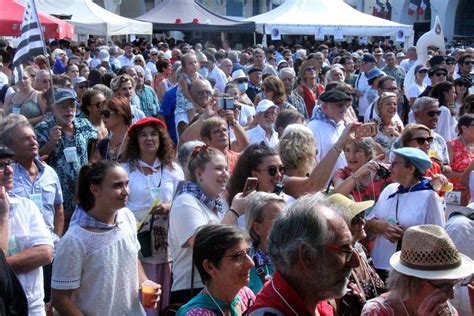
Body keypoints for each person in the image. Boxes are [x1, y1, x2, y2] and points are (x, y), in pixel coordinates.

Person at [51, 161, 161, 315]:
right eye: (117, 186)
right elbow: (60, 299)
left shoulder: (127, 216)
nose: (126, 192)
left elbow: (132, 258)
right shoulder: (74, 240)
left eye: (127, 184)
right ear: (95, 190)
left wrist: (145, 283)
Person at [248, 192, 360, 315]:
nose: (355, 262)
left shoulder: (316, 299)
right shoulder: (272, 311)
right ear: (307, 256)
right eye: (345, 249)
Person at [168, 145, 249, 304]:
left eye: (226, 168)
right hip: (192, 292)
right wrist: (234, 212)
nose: (225, 174)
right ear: (199, 173)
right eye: (218, 168)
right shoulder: (185, 202)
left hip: (219, 287)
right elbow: (203, 244)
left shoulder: (220, 204)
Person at [122, 117, 184, 312]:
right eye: (143, 135)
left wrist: (169, 206)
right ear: (136, 141)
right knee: (142, 291)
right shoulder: (126, 170)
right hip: (137, 237)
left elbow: (184, 199)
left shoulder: (173, 170)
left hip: (167, 239)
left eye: (153, 134)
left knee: (166, 290)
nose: (149, 138)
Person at [366, 147, 445, 281]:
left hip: (410, 270)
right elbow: (369, 221)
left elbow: (439, 238)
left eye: (395, 163)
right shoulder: (390, 189)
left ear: (411, 168)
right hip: (380, 264)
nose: (390, 167)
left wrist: (407, 235)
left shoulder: (429, 196)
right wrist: (382, 227)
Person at [362, 225, 474, 316]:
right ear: (414, 282)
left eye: (453, 284)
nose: (451, 295)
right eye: (446, 287)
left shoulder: (446, 310)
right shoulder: (377, 311)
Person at [0, 143, 53, 316]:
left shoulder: (26, 206)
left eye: (10, 163)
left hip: (31, 306)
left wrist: (3, 268)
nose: (9, 170)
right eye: (1, 165)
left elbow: (45, 253)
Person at [35, 88, 97, 225]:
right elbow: (36, 160)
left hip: (83, 195)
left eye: (72, 105)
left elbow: (96, 145)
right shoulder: (43, 128)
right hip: (59, 199)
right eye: (63, 106)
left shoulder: (84, 125)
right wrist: (51, 142)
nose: (68, 110)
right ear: (53, 108)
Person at [176, 224, 255, 315]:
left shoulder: (245, 295)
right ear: (210, 266)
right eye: (238, 256)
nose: (251, 263)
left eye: (248, 252)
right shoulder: (197, 314)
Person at [328, 194, 385, 316]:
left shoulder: (360, 249)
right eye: (355, 219)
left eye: (362, 215)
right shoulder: (334, 261)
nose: (363, 221)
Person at [279, 123, 354, 198]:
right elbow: (313, 186)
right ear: (303, 153)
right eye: (315, 152)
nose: (315, 157)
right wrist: (339, 144)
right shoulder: (282, 180)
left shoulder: (306, 176)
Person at [245, 192, 286, 294]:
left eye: (288, 218)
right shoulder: (245, 265)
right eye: (279, 220)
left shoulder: (298, 260)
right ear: (258, 228)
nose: (288, 224)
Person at [308, 90, 353, 177]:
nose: (344, 109)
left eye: (346, 105)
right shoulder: (314, 127)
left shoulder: (342, 125)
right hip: (325, 184)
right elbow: (313, 162)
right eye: (340, 105)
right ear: (324, 107)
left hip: (341, 181)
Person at [333, 137, 390, 202]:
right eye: (347, 150)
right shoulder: (342, 173)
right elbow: (337, 195)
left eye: (357, 151)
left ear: (368, 154)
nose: (351, 156)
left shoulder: (386, 171)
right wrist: (358, 174)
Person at [447, 114, 474, 205]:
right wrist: (468, 177)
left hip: (472, 194)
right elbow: (447, 172)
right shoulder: (451, 145)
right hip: (454, 193)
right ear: (464, 128)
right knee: (453, 216)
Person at [175, 53, 204, 135]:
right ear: (184, 67)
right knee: (192, 108)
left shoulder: (200, 77)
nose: (194, 65)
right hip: (185, 100)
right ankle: (190, 126)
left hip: (196, 99)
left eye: (195, 62)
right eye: (190, 63)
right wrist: (196, 105)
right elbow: (186, 93)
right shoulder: (183, 78)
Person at [97, 96, 132, 162]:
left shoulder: (135, 140)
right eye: (101, 113)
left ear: (121, 114)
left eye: (106, 113)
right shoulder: (103, 144)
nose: (102, 117)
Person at [371, 92, 404, 158]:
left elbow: (406, 144)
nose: (392, 107)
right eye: (388, 104)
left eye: (395, 104)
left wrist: (397, 134)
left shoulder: (398, 125)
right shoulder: (373, 124)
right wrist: (375, 145)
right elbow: (365, 144)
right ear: (380, 107)